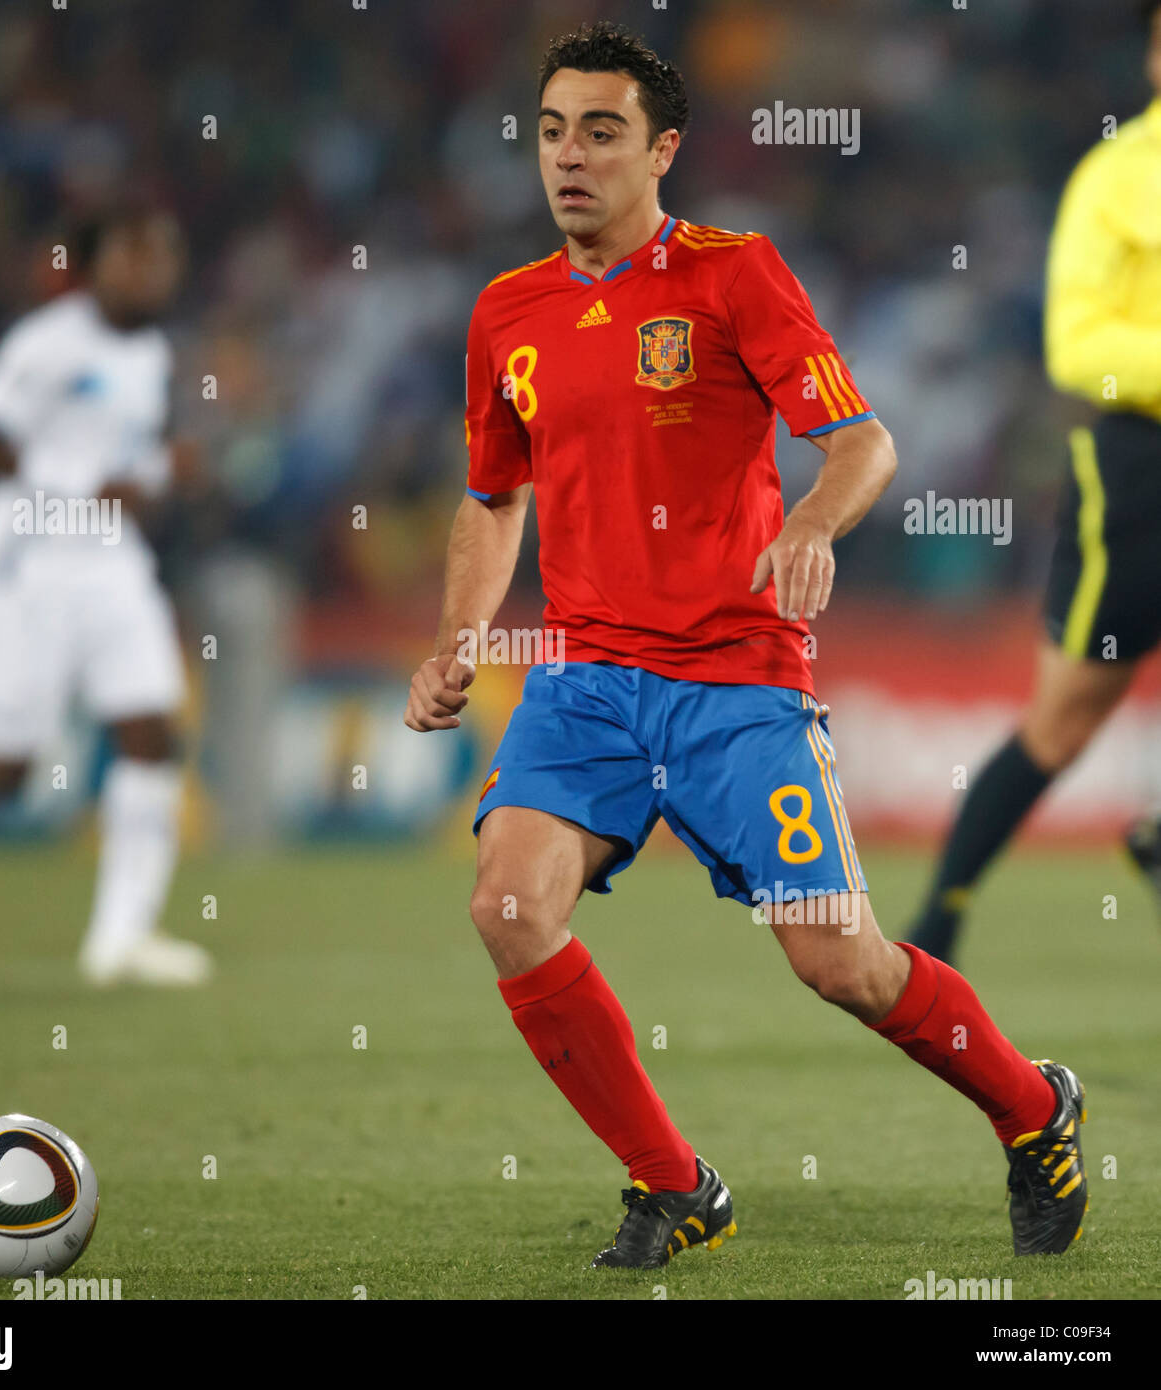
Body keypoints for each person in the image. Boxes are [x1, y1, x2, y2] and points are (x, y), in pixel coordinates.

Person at [404, 20, 1085, 1267]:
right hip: (588, 677)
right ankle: (674, 1184)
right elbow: (494, 497)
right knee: (508, 903)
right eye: (552, 130)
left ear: (661, 149)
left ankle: (1035, 1111)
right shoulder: (507, 313)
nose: (570, 157)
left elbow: (862, 440)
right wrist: (457, 638)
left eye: (601, 131)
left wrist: (815, 520)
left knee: (842, 964)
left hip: (735, 681)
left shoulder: (732, 273)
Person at [0, 204, 210, 987]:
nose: (153, 270)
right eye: (136, 253)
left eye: (164, 255)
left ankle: (122, 938)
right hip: (31, 562)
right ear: (96, 264)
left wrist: (162, 474)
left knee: (152, 729)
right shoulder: (48, 342)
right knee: (2, 773)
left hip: (110, 563)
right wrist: (92, 483)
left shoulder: (153, 353)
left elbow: (124, 469)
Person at [909, 0, 1161, 964]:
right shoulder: (1116, 177)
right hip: (1139, 473)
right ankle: (941, 917)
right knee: (1063, 719)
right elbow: (1077, 346)